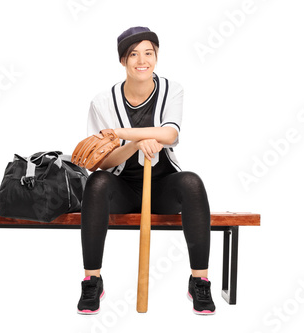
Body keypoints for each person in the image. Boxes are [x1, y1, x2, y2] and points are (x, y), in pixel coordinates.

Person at [76, 26, 215, 315]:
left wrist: (119, 133)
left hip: (163, 186)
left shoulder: (171, 89)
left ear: (157, 55)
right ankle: (92, 280)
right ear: (123, 61)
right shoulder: (102, 101)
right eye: (134, 54)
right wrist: (137, 142)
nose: (143, 60)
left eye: (149, 53)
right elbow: (103, 162)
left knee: (192, 183)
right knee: (97, 182)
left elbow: (169, 136)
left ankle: (199, 280)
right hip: (121, 189)